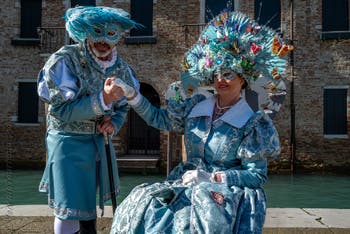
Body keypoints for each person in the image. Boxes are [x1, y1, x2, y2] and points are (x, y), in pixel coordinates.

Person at [110, 10, 292, 234]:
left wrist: (212, 177)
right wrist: (133, 97)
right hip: (186, 182)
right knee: (143, 199)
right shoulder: (196, 106)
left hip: (226, 190)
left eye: (228, 74)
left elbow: (256, 176)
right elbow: (159, 119)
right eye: (216, 73)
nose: (220, 80)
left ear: (244, 77)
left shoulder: (252, 121)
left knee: (196, 214)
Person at [37, 6, 140, 234]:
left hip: (97, 143)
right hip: (67, 141)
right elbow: (61, 110)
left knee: (87, 204)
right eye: (97, 34)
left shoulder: (121, 68)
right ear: (86, 33)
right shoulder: (65, 61)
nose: (103, 42)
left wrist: (114, 123)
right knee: (69, 205)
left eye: (110, 35)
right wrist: (103, 98)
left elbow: (123, 107)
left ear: (118, 38)